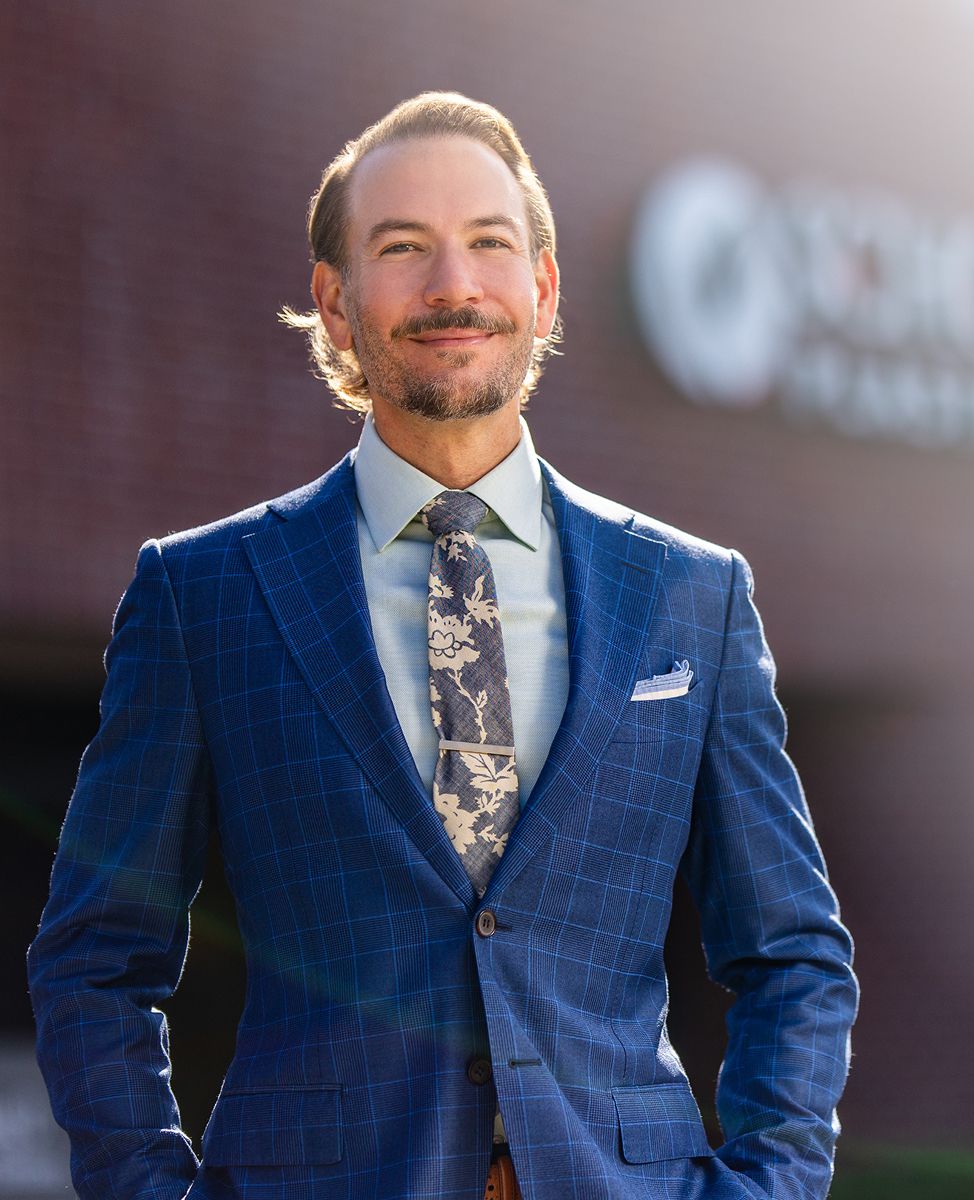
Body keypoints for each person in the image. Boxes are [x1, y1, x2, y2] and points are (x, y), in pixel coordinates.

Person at [27, 92, 858, 1200]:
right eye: (402, 247)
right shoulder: (203, 596)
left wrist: (766, 1185)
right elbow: (94, 960)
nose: (452, 285)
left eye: (488, 243)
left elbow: (792, 953)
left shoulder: (691, 596)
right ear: (334, 301)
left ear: (543, 285)